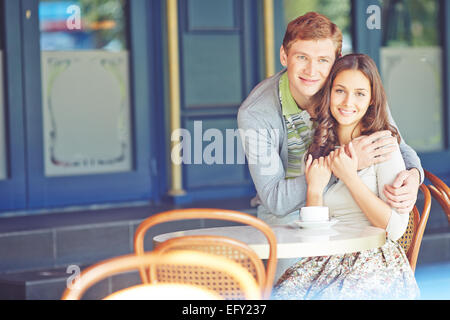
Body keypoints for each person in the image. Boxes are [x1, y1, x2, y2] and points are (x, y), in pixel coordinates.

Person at [237, 12, 423, 226]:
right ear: (283, 56)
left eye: (323, 60)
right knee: (302, 259)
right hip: (286, 216)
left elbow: (395, 144)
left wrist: (414, 175)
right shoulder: (256, 114)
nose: (311, 70)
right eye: (301, 57)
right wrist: (344, 164)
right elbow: (275, 201)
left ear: (337, 59)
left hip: (342, 204)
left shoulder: (352, 89)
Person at [272, 53, 419, 299]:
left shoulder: (382, 145)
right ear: (329, 93)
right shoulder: (322, 145)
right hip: (329, 258)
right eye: (340, 91)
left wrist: (350, 177)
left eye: (360, 93)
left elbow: (393, 230)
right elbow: (314, 240)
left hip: (373, 259)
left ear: (372, 100)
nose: (348, 101)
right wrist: (314, 191)